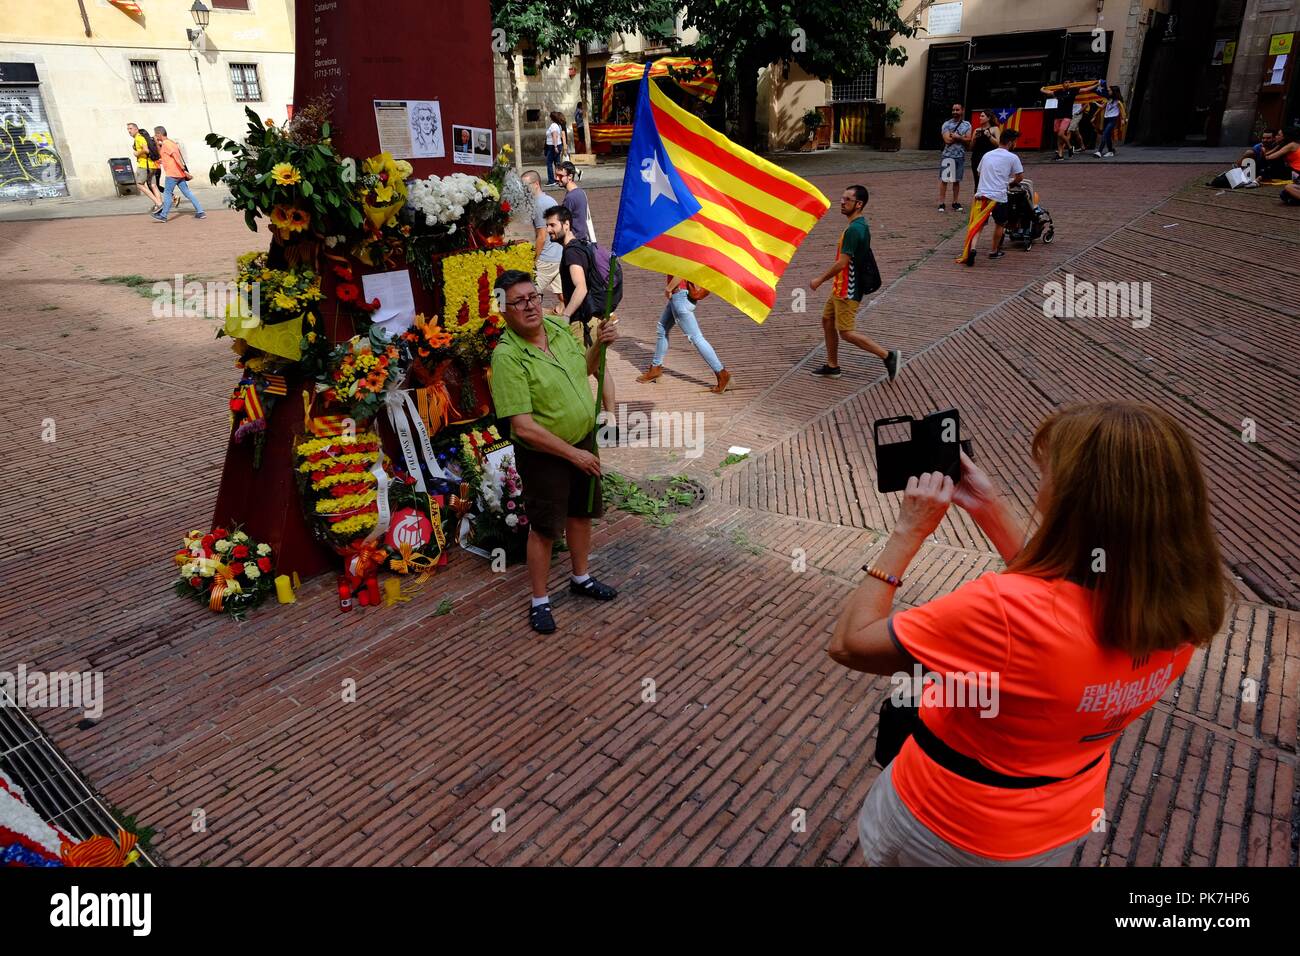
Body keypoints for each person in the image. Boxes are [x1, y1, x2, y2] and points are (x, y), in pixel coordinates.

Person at [828, 401, 1226, 866]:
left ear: (1074, 501)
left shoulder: (1004, 610)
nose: (1040, 489)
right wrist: (990, 508)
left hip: (947, 825)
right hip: (1062, 817)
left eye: (1046, 474)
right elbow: (1061, 602)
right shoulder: (1182, 601)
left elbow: (850, 643)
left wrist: (906, 533)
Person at [489, 270, 620, 635]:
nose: (530, 306)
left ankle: (581, 577)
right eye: (519, 301)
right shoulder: (507, 357)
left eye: (533, 296)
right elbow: (523, 426)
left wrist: (600, 345)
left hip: (582, 441)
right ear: (504, 310)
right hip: (547, 454)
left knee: (581, 513)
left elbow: (587, 369)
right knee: (545, 529)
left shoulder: (559, 330)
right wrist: (572, 455)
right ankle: (540, 601)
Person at [809, 184, 901, 381]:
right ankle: (833, 366)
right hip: (841, 287)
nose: (842, 203)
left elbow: (842, 263)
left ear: (859, 204)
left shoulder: (854, 230)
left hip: (848, 290)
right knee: (827, 321)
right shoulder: (859, 225)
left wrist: (819, 280)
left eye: (847, 200)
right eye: (842, 198)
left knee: (847, 332)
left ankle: (888, 356)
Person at [544, 205, 618, 418]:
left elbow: (581, 286)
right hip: (594, 317)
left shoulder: (572, 252)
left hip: (584, 321)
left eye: (553, 225)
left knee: (579, 370)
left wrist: (566, 315)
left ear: (566, 225)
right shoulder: (581, 246)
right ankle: (610, 422)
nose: (549, 229)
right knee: (599, 369)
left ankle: (586, 418)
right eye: (547, 225)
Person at [637, 275, 731, 394]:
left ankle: (722, 374)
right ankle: (655, 369)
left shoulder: (679, 256)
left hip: (680, 297)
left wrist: (668, 288)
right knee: (662, 329)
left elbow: (680, 272)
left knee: (696, 338)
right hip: (679, 297)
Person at [956, 128, 1023, 265]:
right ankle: (993, 250)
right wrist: (1009, 184)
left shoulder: (987, 155)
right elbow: (1019, 177)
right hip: (999, 196)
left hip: (982, 195)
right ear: (1010, 143)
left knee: (978, 224)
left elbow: (980, 173)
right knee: (1000, 224)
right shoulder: (1012, 157)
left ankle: (972, 249)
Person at [521, 170, 564, 305]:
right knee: (563, 295)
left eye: (526, 186)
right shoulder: (549, 199)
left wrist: (535, 259)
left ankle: (533, 323)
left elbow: (541, 235)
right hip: (558, 254)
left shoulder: (539, 204)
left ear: (536, 184)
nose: (524, 190)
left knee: (531, 293)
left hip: (547, 258)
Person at [151, 127, 205, 223]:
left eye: (155, 134)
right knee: (187, 193)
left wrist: (184, 170)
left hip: (173, 174)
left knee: (167, 194)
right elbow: (163, 154)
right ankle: (200, 212)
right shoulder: (169, 143)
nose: (155, 136)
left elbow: (176, 157)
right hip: (178, 174)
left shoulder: (167, 144)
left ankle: (163, 215)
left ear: (159, 134)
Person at [937, 103, 972, 213]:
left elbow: (969, 139)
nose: (955, 112)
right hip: (948, 155)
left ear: (962, 111)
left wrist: (957, 137)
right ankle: (941, 202)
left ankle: (955, 202)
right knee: (945, 180)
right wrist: (962, 138)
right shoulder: (946, 124)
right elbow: (947, 140)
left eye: (957, 110)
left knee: (956, 181)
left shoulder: (967, 125)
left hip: (959, 156)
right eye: (953, 110)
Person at [127, 122, 163, 213]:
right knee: (153, 185)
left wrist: (136, 153)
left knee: (140, 185)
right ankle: (160, 205)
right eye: (128, 129)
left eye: (130, 129)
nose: (129, 131)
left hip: (144, 165)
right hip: (151, 165)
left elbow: (146, 150)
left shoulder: (139, 138)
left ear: (136, 129)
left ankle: (158, 203)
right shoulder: (143, 138)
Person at [554, 160, 593, 242]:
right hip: (582, 238)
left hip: (574, 240)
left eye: (560, 176)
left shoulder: (570, 197)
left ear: (570, 176)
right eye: (556, 175)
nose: (556, 178)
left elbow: (563, 222)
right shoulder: (580, 191)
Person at [1263, 128, 1300, 203]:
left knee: (1274, 162)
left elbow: (1270, 157)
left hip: (1296, 172)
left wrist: (1264, 150)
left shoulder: (1291, 145)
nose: (1276, 136)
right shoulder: (1292, 144)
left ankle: (1260, 177)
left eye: (1278, 135)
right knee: (1284, 195)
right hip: (1294, 172)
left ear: (1285, 136)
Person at [970, 110, 1000, 192]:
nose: (980, 118)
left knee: (989, 180)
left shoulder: (995, 129)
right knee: (977, 180)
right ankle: (977, 201)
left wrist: (989, 136)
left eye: (982, 116)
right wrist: (974, 139)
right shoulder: (976, 130)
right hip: (976, 158)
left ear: (989, 118)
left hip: (990, 159)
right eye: (980, 116)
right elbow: (971, 148)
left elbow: (998, 144)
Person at [1093, 87, 1122, 158]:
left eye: (1109, 91)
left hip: (1113, 119)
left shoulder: (1118, 101)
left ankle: (1099, 151)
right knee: (1107, 136)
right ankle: (1110, 151)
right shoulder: (1108, 100)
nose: (1108, 91)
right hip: (1106, 119)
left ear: (1114, 92)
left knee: (1105, 134)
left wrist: (1124, 119)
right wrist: (1095, 103)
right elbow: (1102, 107)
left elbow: (1122, 111)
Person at [544, 111, 566, 185]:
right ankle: (559, 179)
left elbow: (555, 136)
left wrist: (555, 146)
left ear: (552, 118)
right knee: (557, 163)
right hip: (557, 145)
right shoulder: (558, 125)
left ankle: (551, 181)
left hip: (552, 146)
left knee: (549, 163)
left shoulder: (553, 125)